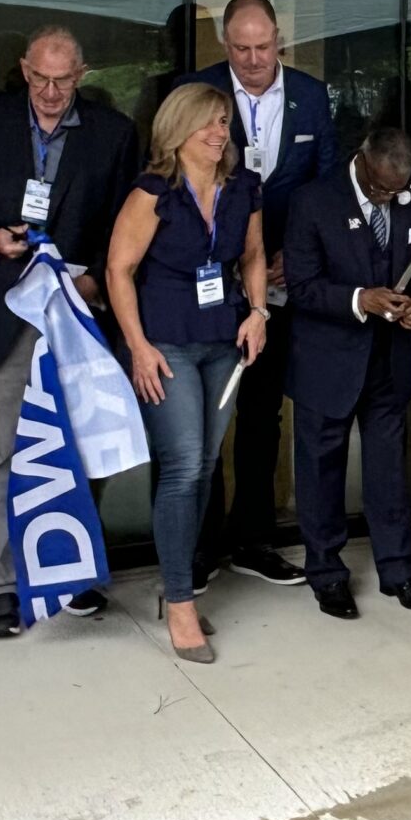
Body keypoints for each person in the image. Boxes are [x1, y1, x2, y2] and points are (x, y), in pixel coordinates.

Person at [0, 24, 139, 640]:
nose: (50, 92)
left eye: (63, 80)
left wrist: (99, 284)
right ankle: (2, 587)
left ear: (82, 76)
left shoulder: (114, 135)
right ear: (23, 70)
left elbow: (126, 224)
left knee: (75, 452)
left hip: (77, 315)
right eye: (39, 79)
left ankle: (69, 574)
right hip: (2, 310)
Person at [107, 83, 268, 664]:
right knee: (180, 466)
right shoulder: (153, 193)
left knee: (203, 465)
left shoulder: (242, 188)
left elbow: (252, 256)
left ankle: (180, 582)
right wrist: (138, 347)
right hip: (165, 344)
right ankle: (179, 600)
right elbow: (118, 270)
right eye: (206, 123)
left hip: (222, 342)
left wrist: (257, 311)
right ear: (177, 131)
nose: (219, 132)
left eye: (224, 121)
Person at [186, 0, 337, 589]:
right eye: (241, 48)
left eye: (263, 46)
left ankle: (253, 540)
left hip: (279, 282)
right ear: (225, 45)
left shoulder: (311, 96)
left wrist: (292, 257)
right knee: (202, 419)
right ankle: (198, 549)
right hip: (206, 280)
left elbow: (326, 186)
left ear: (280, 41)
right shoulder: (197, 93)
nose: (252, 59)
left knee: (261, 413)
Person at [281, 127, 411, 617]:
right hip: (328, 360)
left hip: (390, 358)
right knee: (322, 471)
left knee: (389, 470)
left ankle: (398, 570)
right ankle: (326, 573)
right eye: (379, 189)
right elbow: (301, 287)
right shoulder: (313, 201)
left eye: (397, 190)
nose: (388, 197)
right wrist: (359, 299)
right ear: (362, 160)